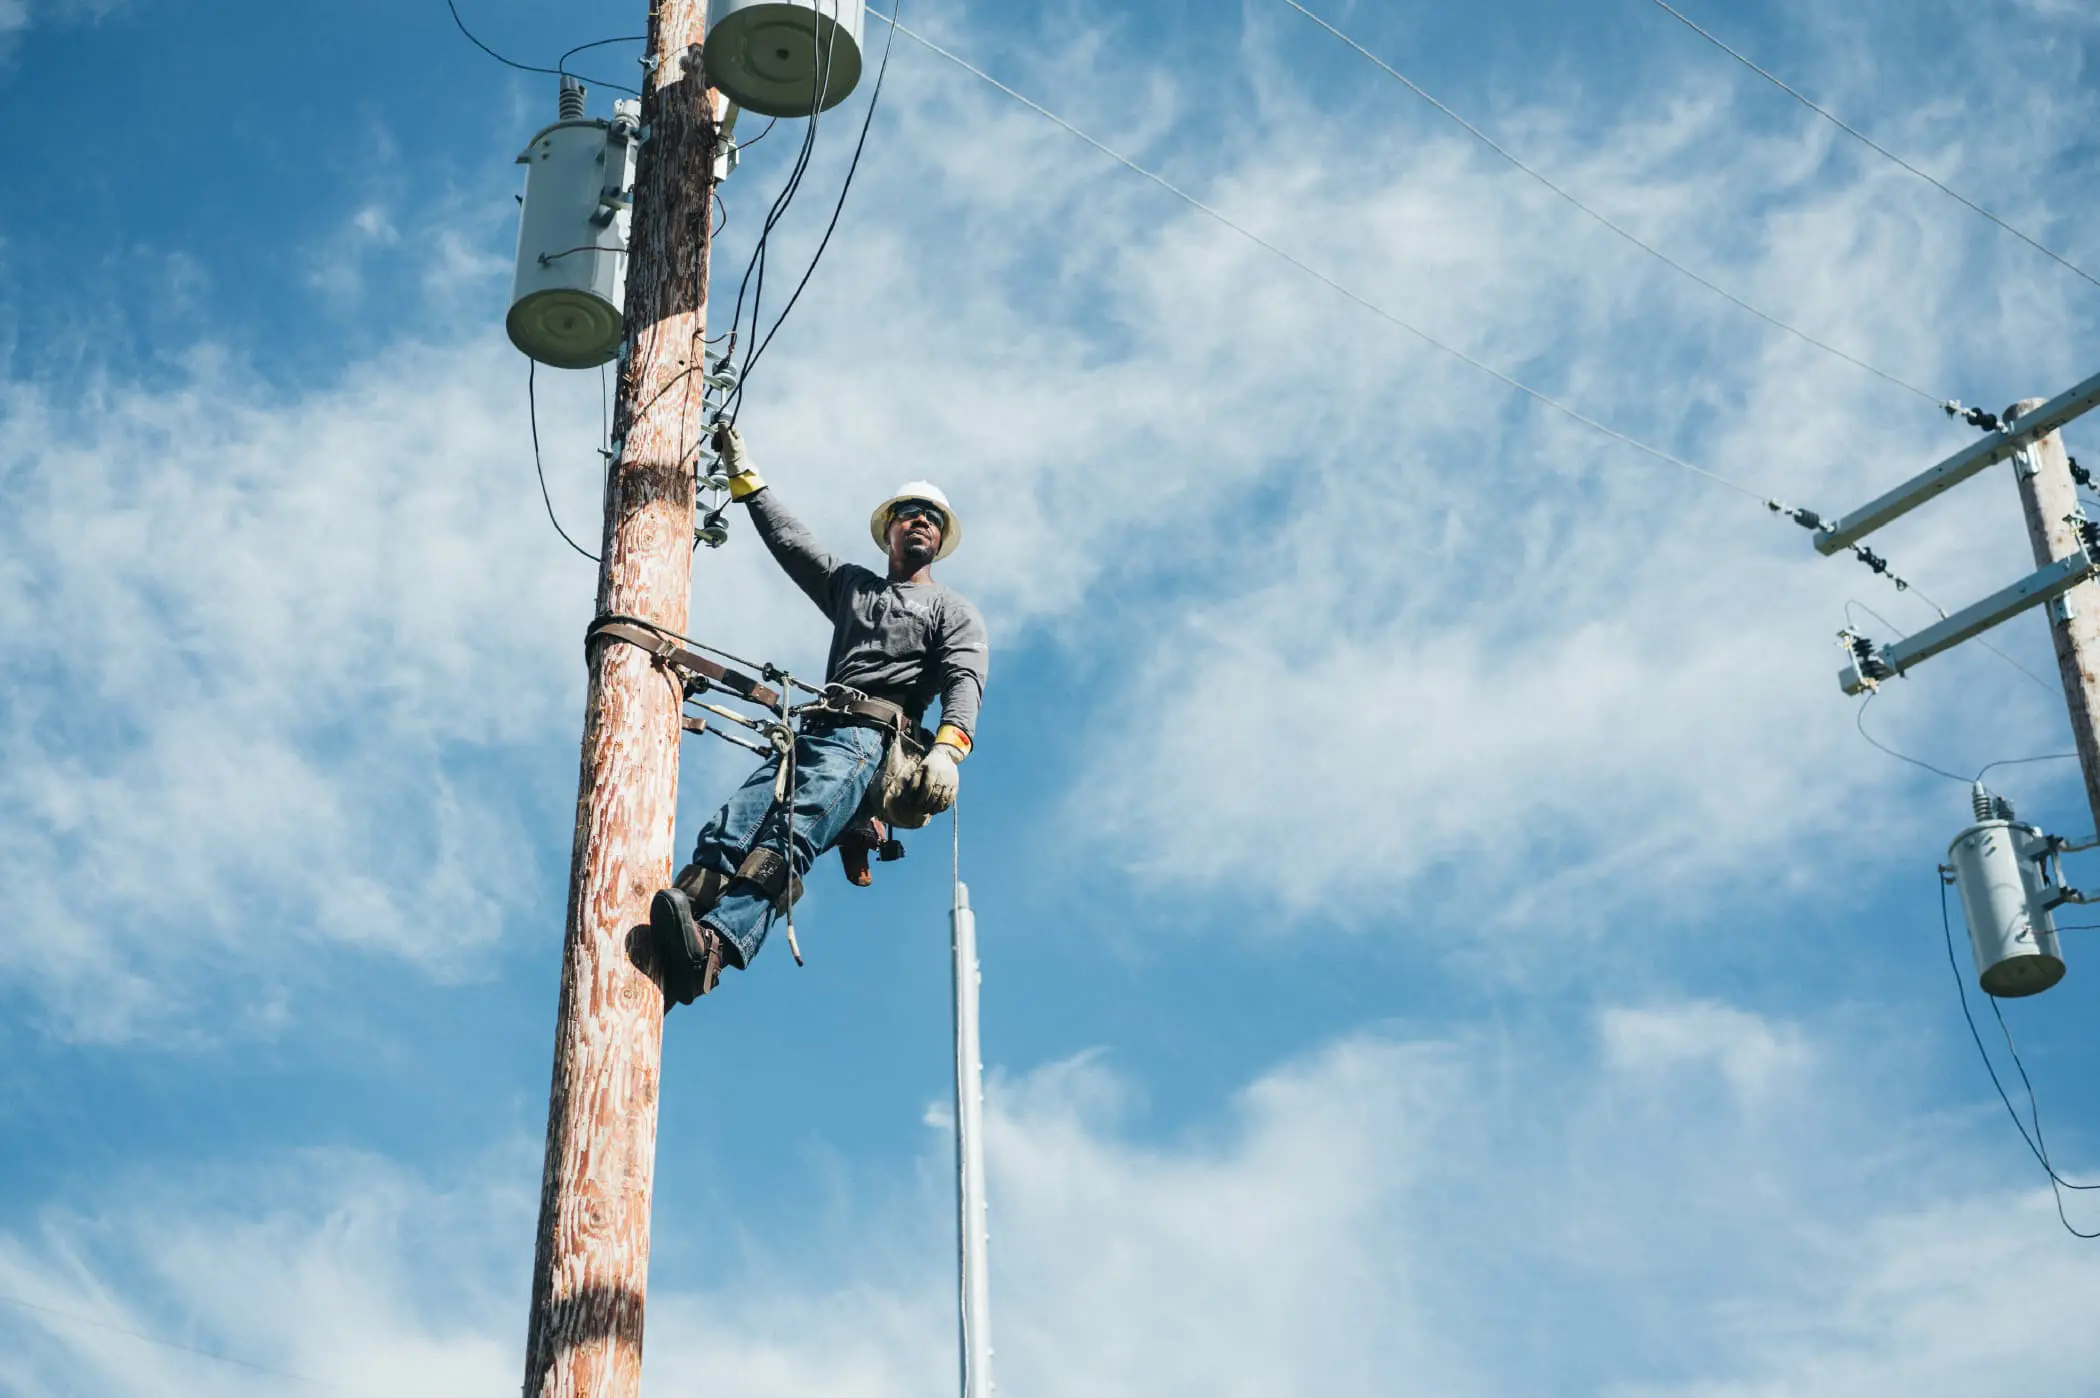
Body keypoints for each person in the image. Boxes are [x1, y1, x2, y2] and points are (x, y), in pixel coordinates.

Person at [651, 424, 990, 1005]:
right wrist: (746, 479)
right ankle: (682, 921)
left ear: (940, 539)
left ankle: (712, 949)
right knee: (731, 826)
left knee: (790, 836)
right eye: (910, 513)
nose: (922, 523)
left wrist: (948, 750)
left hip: (868, 742)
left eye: (932, 518)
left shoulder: (951, 610)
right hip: (808, 733)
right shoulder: (853, 588)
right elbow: (792, 542)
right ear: (890, 528)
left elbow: (965, 680)